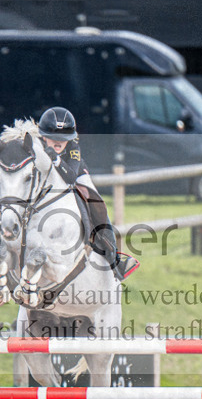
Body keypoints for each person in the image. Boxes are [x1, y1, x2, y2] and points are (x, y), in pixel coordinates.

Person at [37, 107, 138, 281]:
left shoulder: (73, 146)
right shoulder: (36, 143)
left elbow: (69, 177)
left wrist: (55, 159)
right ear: (43, 136)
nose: (58, 143)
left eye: (63, 139)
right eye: (53, 139)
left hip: (74, 172)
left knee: (95, 201)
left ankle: (114, 257)